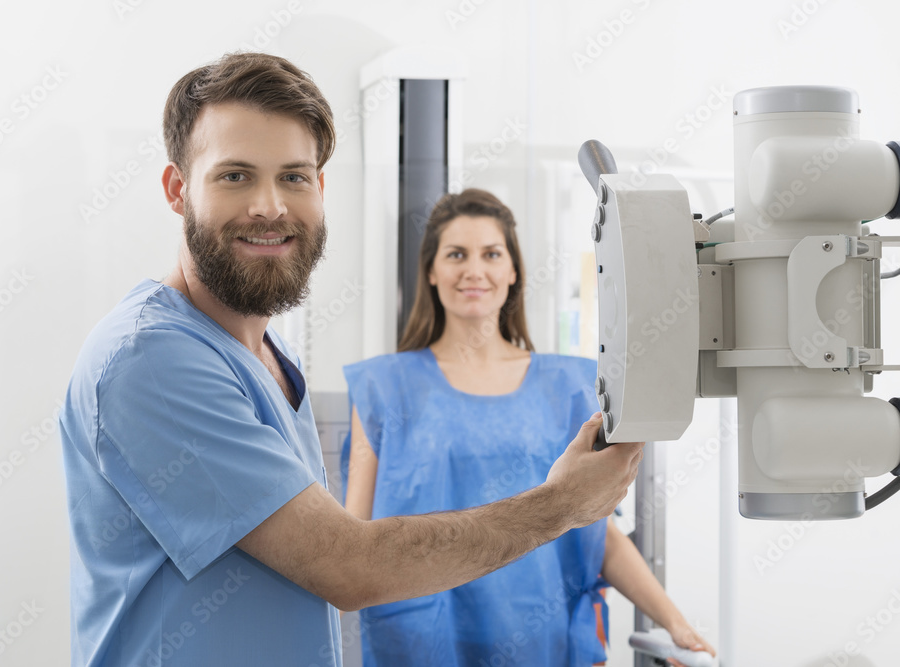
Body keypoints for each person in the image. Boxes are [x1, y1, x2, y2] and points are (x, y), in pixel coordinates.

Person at [58, 52, 643, 667]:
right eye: (235, 176)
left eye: (294, 176)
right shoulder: (151, 359)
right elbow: (348, 565)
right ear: (178, 190)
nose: (270, 206)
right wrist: (560, 504)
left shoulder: (267, 355)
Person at [342, 188, 716, 666]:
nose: (474, 269)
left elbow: (597, 535)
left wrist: (676, 624)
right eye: (456, 254)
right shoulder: (382, 388)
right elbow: (353, 543)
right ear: (432, 272)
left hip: (543, 642)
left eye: (491, 254)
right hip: (423, 643)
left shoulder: (572, 385)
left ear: (513, 271)